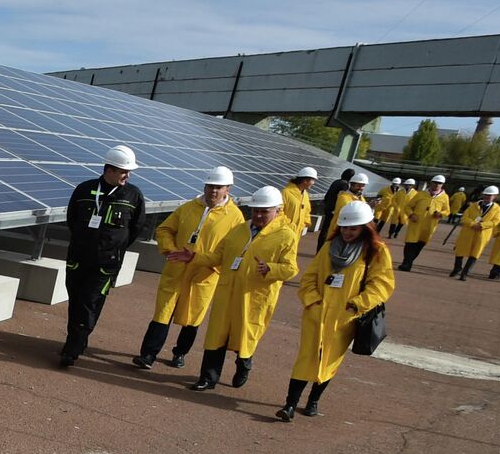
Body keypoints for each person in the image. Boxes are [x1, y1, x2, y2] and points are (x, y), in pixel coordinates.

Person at [278, 200, 393, 421]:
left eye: (353, 228)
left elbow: (382, 284)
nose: (348, 232)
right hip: (316, 314)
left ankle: (313, 400)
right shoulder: (329, 248)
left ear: (365, 227)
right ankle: (289, 404)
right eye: (344, 227)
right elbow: (309, 278)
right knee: (306, 358)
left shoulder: (376, 252)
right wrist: (312, 301)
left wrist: (358, 303)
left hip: (345, 318)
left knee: (329, 360)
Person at [189, 187, 299, 391]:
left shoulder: (286, 236)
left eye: (264, 211)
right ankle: (208, 377)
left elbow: (291, 269)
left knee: (245, 337)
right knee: (216, 335)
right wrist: (194, 257)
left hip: (253, 298)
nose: (258, 215)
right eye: (255, 210)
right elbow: (218, 257)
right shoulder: (239, 230)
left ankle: (244, 365)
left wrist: (271, 269)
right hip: (227, 293)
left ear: (278, 210)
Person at [132, 166, 240, 369]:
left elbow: (232, 251)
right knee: (162, 314)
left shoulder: (235, 217)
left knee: (192, 318)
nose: (213, 191)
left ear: (228, 189)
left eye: (219, 187)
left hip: (203, 276)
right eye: (210, 186)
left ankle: (180, 353)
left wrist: (199, 259)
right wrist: (170, 249)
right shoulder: (189, 207)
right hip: (176, 271)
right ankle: (148, 354)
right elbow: (165, 229)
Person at [58, 145, 147, 368]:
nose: (127, 176)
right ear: (109, 170)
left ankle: (72, 349)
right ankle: (79, 339)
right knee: (77, 300)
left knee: (91, 301)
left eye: (129, 172)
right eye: (123, 171)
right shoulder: (84, 190)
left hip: (107, 262)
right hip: (78, 258)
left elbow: (136, 227)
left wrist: (115, 246)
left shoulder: (133, 195)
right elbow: (72, 219)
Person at [398, 174, 449, 271]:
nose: (437, 185)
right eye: (435, 183)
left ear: (442, 185)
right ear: (431, 183)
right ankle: (406, 264)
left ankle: (408, 262)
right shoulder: (421, 194)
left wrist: (440, 214)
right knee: (409, 244)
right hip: (416, 223)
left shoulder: (444, 197)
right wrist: (411, 214)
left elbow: (447, 211)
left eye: (440, 183)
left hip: (429, 226)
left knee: (419, 245)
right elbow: (408, 207)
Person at [450, 185, 500, 280]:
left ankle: (465, 273)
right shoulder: (473, 206)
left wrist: (482, 225)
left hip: (482, 234)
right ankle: (457, 268)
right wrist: (473, 224)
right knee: (460, 251)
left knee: (475, 253)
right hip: (468, 232)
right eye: (486, 195)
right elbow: (464, 217)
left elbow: (496, 221)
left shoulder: (497, 209)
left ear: (495, 196)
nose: (487, 197)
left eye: (490, 195)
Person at [316, 168, 356, 244]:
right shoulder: (345, 185)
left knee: (324, 229)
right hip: (333, 210)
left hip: (328, 207)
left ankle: (319, 248)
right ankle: (322, 248)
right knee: (329, 230)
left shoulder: (336, 181)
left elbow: (327, 195)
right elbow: (341, 198)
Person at [280, 167, 317, 239]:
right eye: (313, 181)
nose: (313, 183)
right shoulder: (285, 193)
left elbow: (307, 210)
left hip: (297, 233)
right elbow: (278, 212)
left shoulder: (305, 194)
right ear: (305, 180)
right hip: (283, 233)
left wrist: (305, 223)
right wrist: (289, 225)